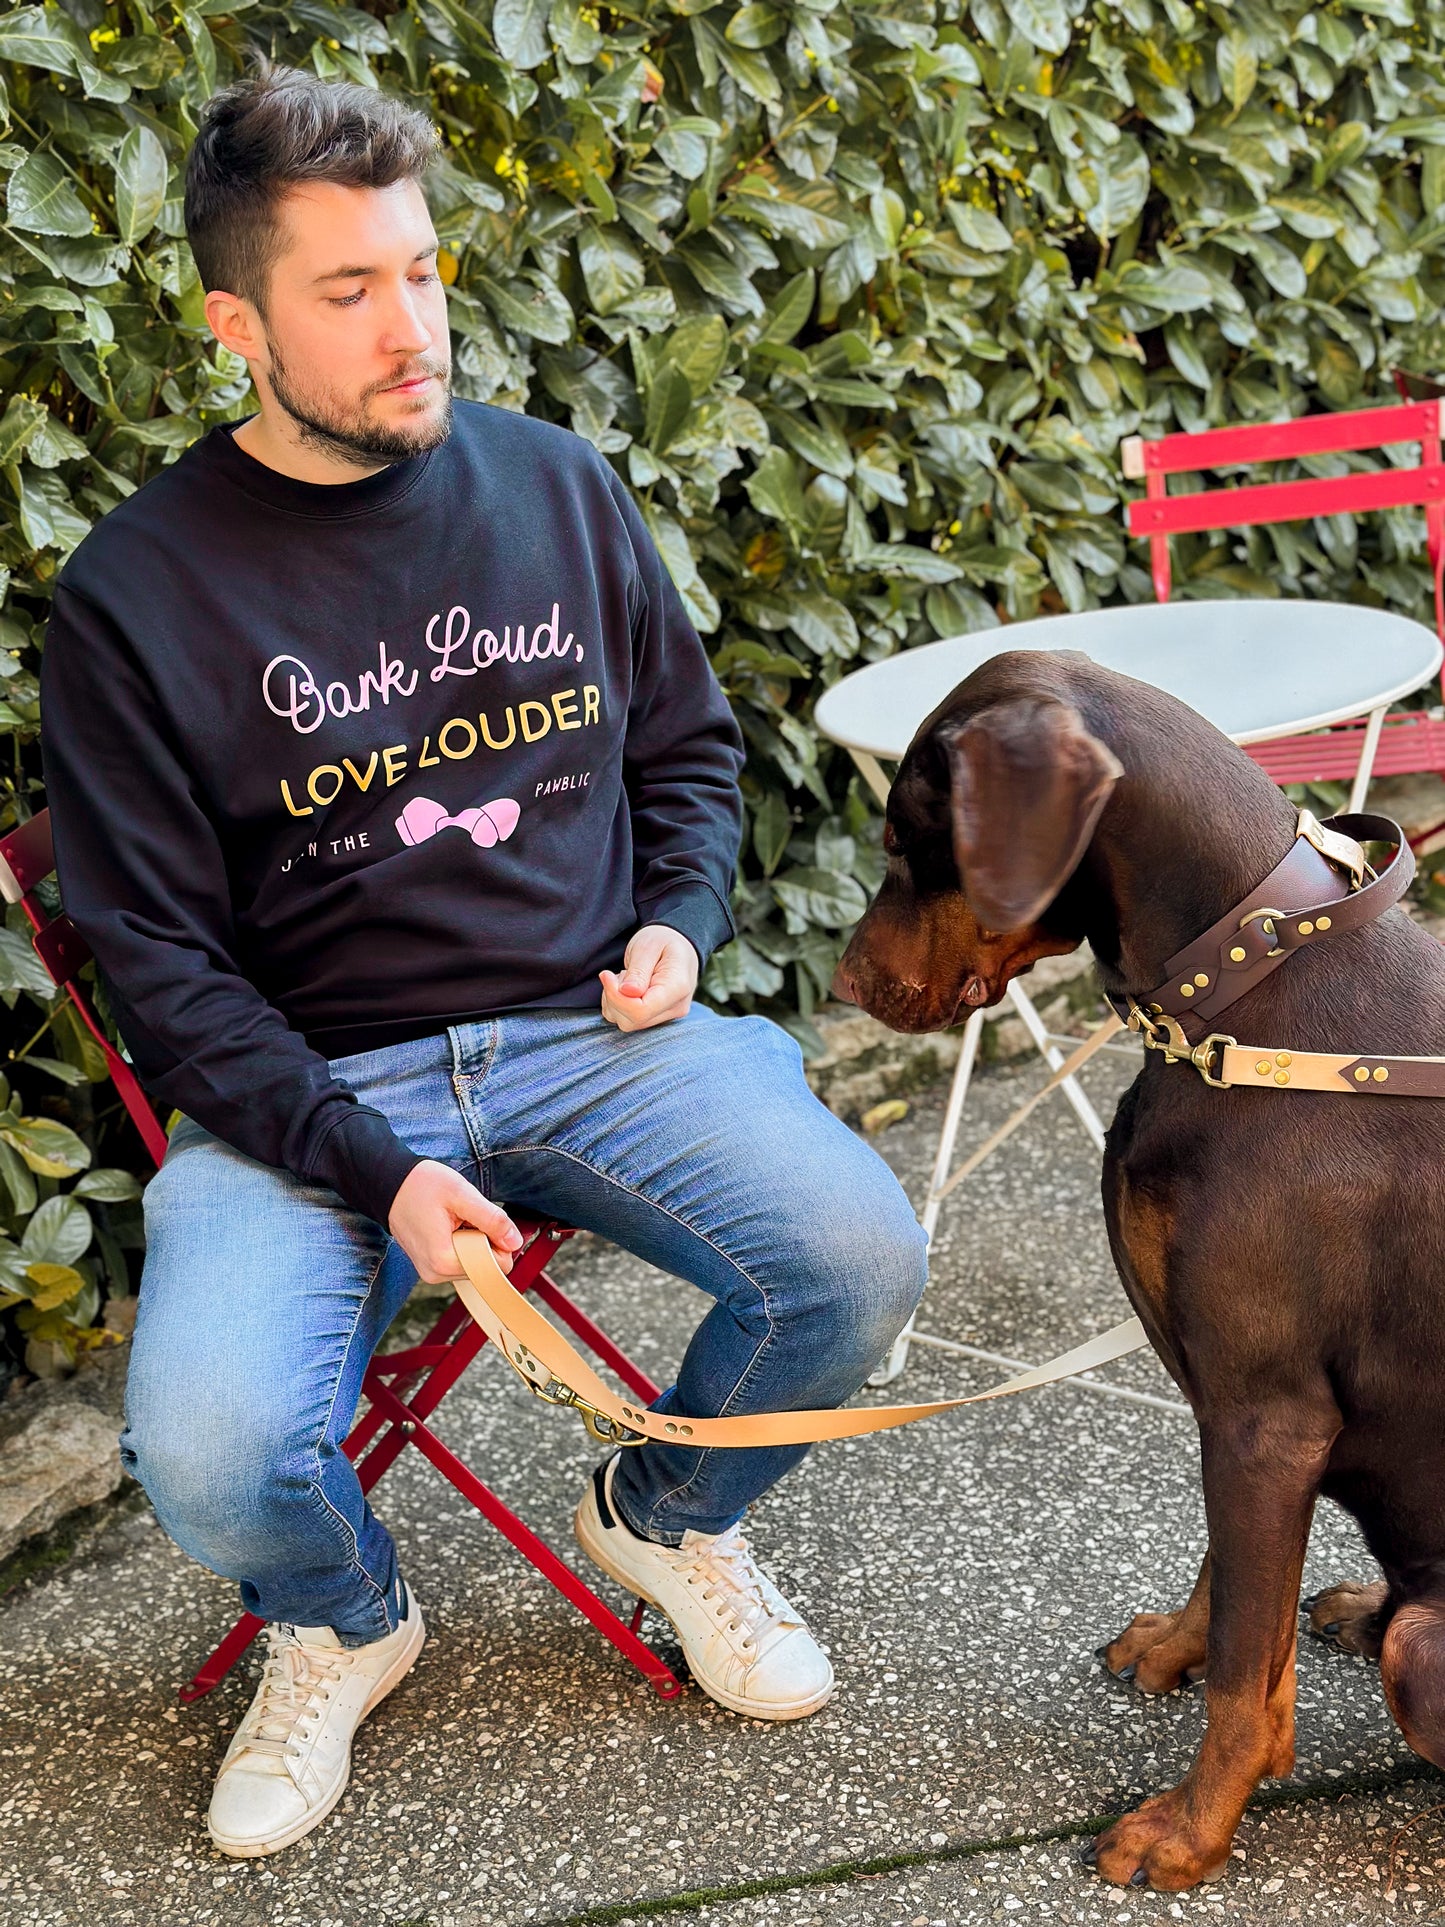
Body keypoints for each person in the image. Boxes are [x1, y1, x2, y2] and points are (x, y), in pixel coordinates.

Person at [39, 64, 928, 1860]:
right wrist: (376, 1166)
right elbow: (160, 966)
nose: (412, 327)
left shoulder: (556, 485)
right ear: (236, 327)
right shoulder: (134, 595)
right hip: (311, 1088)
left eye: (423, 271)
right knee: (208, 1453)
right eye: (348, 291)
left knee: (855, 1261)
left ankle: (663, 1515)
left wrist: (678, 917)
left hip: (592, 1033)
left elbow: (686, 755)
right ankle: (342, 1619)